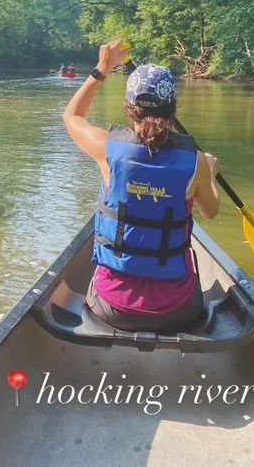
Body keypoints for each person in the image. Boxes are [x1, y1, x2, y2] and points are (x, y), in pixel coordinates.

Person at [63, 38, 220, 332]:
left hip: (111, 308)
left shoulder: (105, 148)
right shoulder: (195, 161)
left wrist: (101, 69)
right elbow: (210, 210)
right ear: (172, 108)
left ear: (128, 108)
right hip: (177, 311)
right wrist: (209, 174)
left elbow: (72, 116)